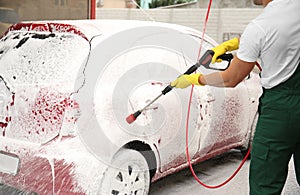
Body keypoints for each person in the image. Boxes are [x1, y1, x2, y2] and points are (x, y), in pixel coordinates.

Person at [171, 0, 300, 194]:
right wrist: (236, 44)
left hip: (280, 111)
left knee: (265, 183)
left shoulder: (260, 26)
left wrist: (195, 79)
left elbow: (231, 78)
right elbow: (281, 32)